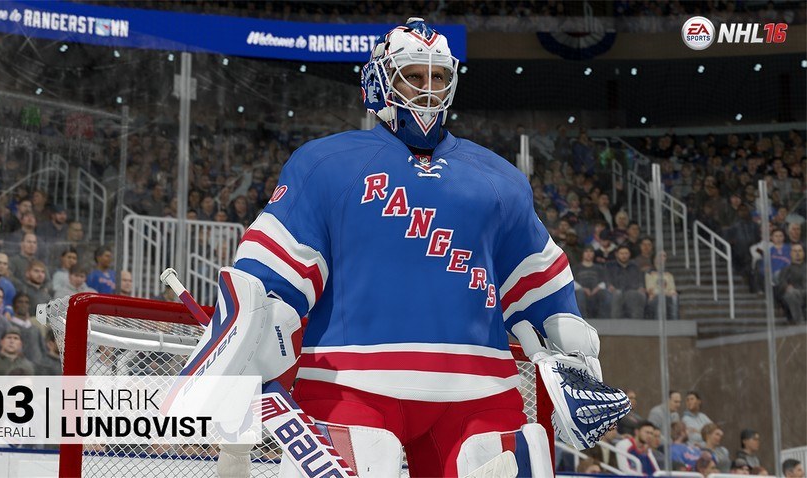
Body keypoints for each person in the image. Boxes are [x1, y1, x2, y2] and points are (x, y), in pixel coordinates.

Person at [210, 18, 627, 477]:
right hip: (349, 383)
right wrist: (246, 362)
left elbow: (540, 286)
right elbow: (267, 282)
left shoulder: (500, 179)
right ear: (379, 81)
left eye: (439, 76)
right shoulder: (324, 163)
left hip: (480, 389)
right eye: (413, 75)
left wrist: (573, 361)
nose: (428, 88)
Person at [606, 245, 646, 319]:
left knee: (636, 295)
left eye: (626, 253)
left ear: (629, 254)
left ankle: (637, 323)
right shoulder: (610, 266)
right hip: (616, 291)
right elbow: (606, 279)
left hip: (631, 291)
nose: (624, 256)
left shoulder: (635, 266)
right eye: (621, 253)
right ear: (617, 254)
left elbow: (640, 280)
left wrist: (640, 287)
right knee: (617, 294)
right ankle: (615, 322)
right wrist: (609, 285)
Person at [573, 246, 609, 318]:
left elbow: (605, 281)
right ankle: (582, 318)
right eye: (586, 251)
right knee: (580, 293)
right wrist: (583, 289)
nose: (589, 254)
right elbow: (572, 282)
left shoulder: (599, 268)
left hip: (596, 291)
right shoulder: (576, 268)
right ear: (582, 254)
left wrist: (597, 288)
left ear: (594, 254)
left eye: (591, 251)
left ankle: (603, 318)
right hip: (580, 291)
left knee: (604, 293)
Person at [776, 243, 805, 323]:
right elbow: (782, 283)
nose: (797, 253)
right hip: (794, 293)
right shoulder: (785, 269)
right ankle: (799, 321)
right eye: (795, 251)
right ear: (791, 253)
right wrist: (786, 287)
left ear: (803, 253)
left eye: (800, 251)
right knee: (791, 293)